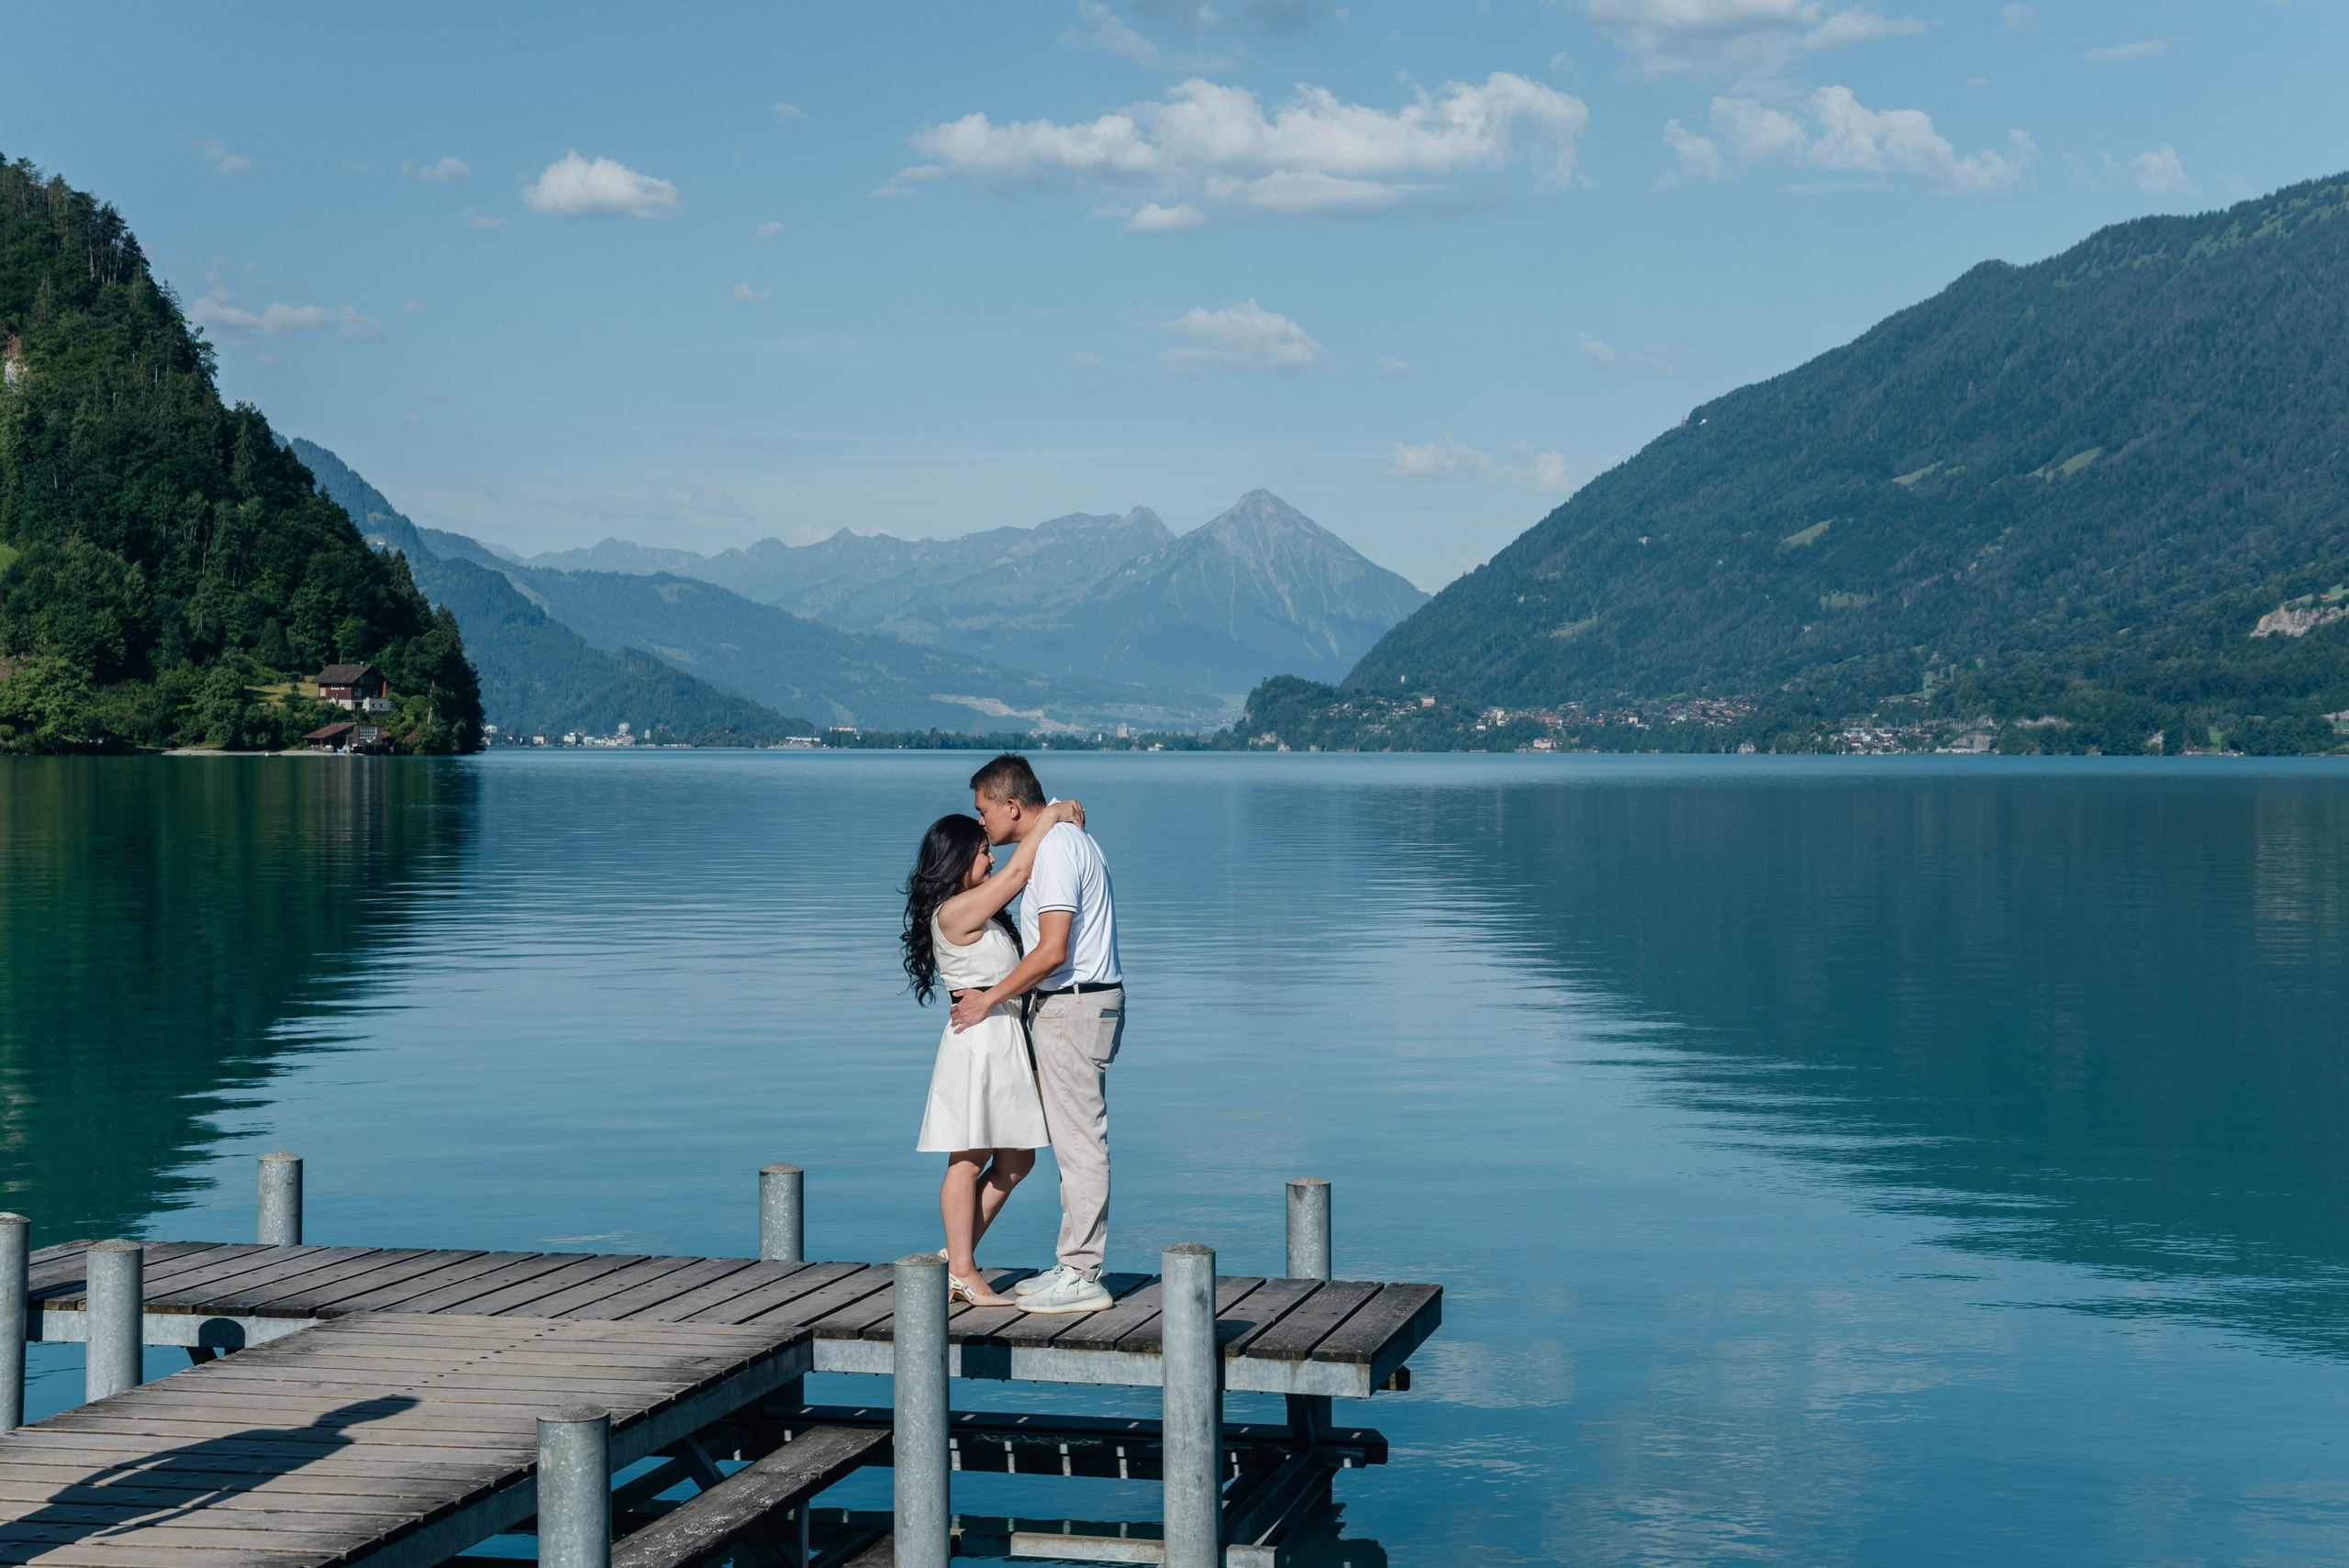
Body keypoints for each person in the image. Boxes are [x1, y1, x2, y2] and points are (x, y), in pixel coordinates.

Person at [952, 754, 1122, 1315]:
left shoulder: (1053, 850)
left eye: (983, 812)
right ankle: (1071, 1265)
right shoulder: (1060, 841)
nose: (981, 824)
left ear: (1011, 806)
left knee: (1079, 1143)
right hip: (1078, 1005)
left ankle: (1081, 1272)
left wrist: (988, 999)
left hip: (1073, 1007)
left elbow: (1052, 950)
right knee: (1074, 1140)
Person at [901, 799, 1084, 1307]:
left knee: (1017, 1157)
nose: (992, 861)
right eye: (983, 853)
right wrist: (1051, 814)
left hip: (1002, 1039)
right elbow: (1022, 869)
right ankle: (963, 1269)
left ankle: (953, 1259)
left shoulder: (979, 907)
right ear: (958, 860)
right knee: (969, 1156)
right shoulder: (954, 911)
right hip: (978, 1044)